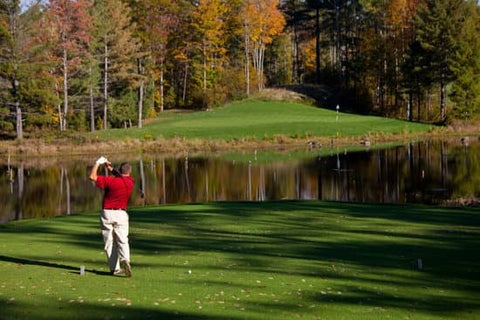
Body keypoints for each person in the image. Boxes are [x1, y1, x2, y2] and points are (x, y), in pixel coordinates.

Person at [89, 156, 135, 277]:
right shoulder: (130, 182)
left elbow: (92, 177)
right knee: (123, 239)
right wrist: (110, 168)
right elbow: (121, 176)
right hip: (121, 214)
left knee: (109, 242)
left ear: (119, 171)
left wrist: (97, 163)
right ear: (129, 172)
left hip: (107, 213)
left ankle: (115, 269)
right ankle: (125, 259)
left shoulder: (110, 181)